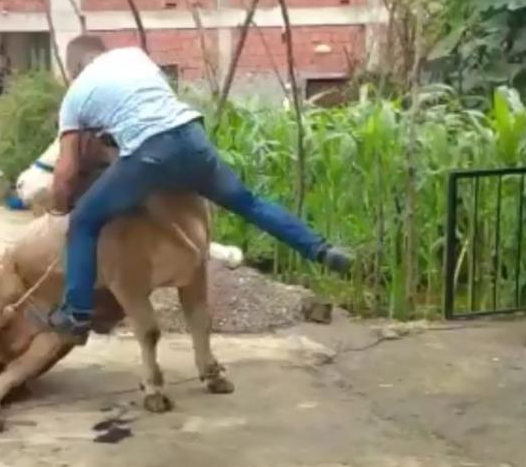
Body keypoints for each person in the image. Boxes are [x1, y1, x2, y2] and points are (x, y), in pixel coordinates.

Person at [46, 35, 354, 344]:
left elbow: (67, 168)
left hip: (149, 154)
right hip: (193, 138)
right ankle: (321, 250)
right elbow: (151, 106)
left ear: (74, 68)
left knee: (84, 221)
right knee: (248, 202)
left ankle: (75, 314)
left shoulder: (75, 95)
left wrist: (59, 203)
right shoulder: (134, 57)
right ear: (102, 53)